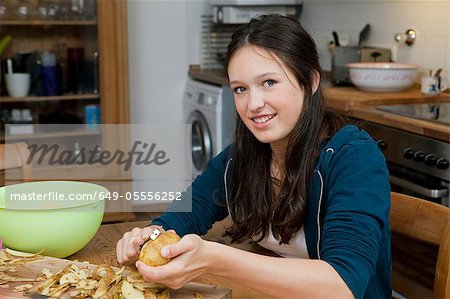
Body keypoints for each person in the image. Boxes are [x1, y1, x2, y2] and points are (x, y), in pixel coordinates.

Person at [117, 15, 391, 299]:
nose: (254, 104)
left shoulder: (354, 157)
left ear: (310, 81)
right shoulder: (243, 156)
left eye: (269, 82)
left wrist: (217, 259)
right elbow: (188, 212)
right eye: (240, 89)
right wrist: (149, 235)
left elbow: (343, 286)